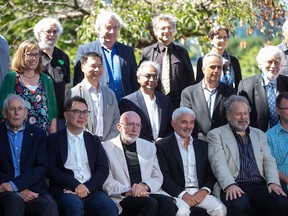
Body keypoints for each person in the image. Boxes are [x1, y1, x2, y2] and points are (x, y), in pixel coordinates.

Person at [207, 95, 288, 216]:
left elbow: (268, 160)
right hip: (235, 183)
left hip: (259, 184)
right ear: (229, 116)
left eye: (245, 113)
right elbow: (218, 163)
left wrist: (273, 182)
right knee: (239, 205)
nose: (243, 118)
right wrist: (230, 185)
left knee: (281, 202)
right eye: (238, 114)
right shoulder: (216, 134)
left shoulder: (259, 134)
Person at [47, 96, 118, 216]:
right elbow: (50, 169)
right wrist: (75, 185)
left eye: (85, 112)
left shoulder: (93, 140)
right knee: (74, 206)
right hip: (65, 190)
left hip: (91, 189)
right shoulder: (53, 140)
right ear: (65, 115)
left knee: (110, 207)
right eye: (77, 112)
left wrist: (87, 187)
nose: (82, 116)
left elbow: (103, 169)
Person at [102, 111, 178, 216]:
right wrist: (129, 190)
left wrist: (144, 186)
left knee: (168, 203)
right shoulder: (106, 147)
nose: (134, 129)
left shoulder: (149, 146)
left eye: (138, 125)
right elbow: (107, 181)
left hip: (146, 192)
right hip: (123, 195)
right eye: (130, 124)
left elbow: (157, 176)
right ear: (119, 127)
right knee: (150, 204)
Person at [156, 107, 226, 216]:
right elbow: (163, 176)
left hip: (200, 192)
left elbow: (211, 173)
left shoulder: (203, 145)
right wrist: (182, 194)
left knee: (220, 209)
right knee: (181, 212)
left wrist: (204, 190)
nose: (188, 127)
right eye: (184, 122)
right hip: (176, 194)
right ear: (173, 123)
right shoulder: (162, 146)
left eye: (191, 122)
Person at [0, 94, 58, 216]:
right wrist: (14, 187)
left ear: (25, 113)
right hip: (5, 190)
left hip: (34, 189)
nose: (17, 113)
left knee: (48, 204)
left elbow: (41, 167)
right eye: (12, 109)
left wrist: (17, 185)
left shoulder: (38, 134)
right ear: (4, 113)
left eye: (20, 109)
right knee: (14, 202)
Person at [73, 10, 138, 101]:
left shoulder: (127, 51)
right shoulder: (85, 50)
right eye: (108, 27)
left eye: (115, 28)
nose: (112, 32)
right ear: (98, 29)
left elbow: (135, 82)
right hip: (97, 105)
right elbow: (78, 81)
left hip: (125, 105)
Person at [0, 40, 58, 134]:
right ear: (21, 56)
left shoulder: (46, 79)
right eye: (29, 54)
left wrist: (53, 132)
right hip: (18, 134)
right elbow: (2, 109)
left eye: (36, 54)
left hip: (43, 133)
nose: (34, 58)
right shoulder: (11, 78)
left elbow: (53, 110)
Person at [140, 14, 195, 109]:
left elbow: (190, 80)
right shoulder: (147, 52)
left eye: (169, 28)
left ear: (173, 31)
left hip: (178, 104)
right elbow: (140, 80)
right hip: (154, 103)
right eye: (163, 28)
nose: (166, 31)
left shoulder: (182, 53)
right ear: (156, 31)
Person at [67, 52, 119, 142]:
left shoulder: (109, 93)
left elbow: (116, 120)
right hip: (83, 143)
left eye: (100, 66)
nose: (97, 69)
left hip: (108, 144)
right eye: (93, 66)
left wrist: (107, 142)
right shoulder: (74, 93)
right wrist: (92, 142)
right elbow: (72, 121)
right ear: (82, 67)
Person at [180, 53, 234, 140]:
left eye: (219, 67)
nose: (216, 70)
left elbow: (232, 120)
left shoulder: (229, 92)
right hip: (196, 143)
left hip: (222, 142)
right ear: (203, 69)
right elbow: (186, 121)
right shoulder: (189, 93)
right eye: (212, 67)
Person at [119, 61, 173, 142]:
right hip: (139, 147)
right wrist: (150, 143)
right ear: (138, 78)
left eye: (155, 76)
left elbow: (171, 126)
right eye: (148, 76)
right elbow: (127, 129)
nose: (151, 80)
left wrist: (163, 141)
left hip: (163, 148)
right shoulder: (128, 102)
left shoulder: (165, 100)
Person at [238, 45, 288, 132]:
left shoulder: (286, 82)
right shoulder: (246, 86)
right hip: (258, 137)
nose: (273, 66)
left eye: (277, 62)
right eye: (269, 62)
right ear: (261, 64)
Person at [34, 17, 71, 130]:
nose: (52, 34)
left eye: (55, 31)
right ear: (39, 34)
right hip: (38, 112)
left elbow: (65, 87)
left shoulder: (63, 56)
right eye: (48, 31)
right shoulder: (33, 54)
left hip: (59, 115)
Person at [266, 92, 288, 194]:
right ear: (278, 110)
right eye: (287, 108)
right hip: (281, 184)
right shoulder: (269, 137)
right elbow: (269, 167)